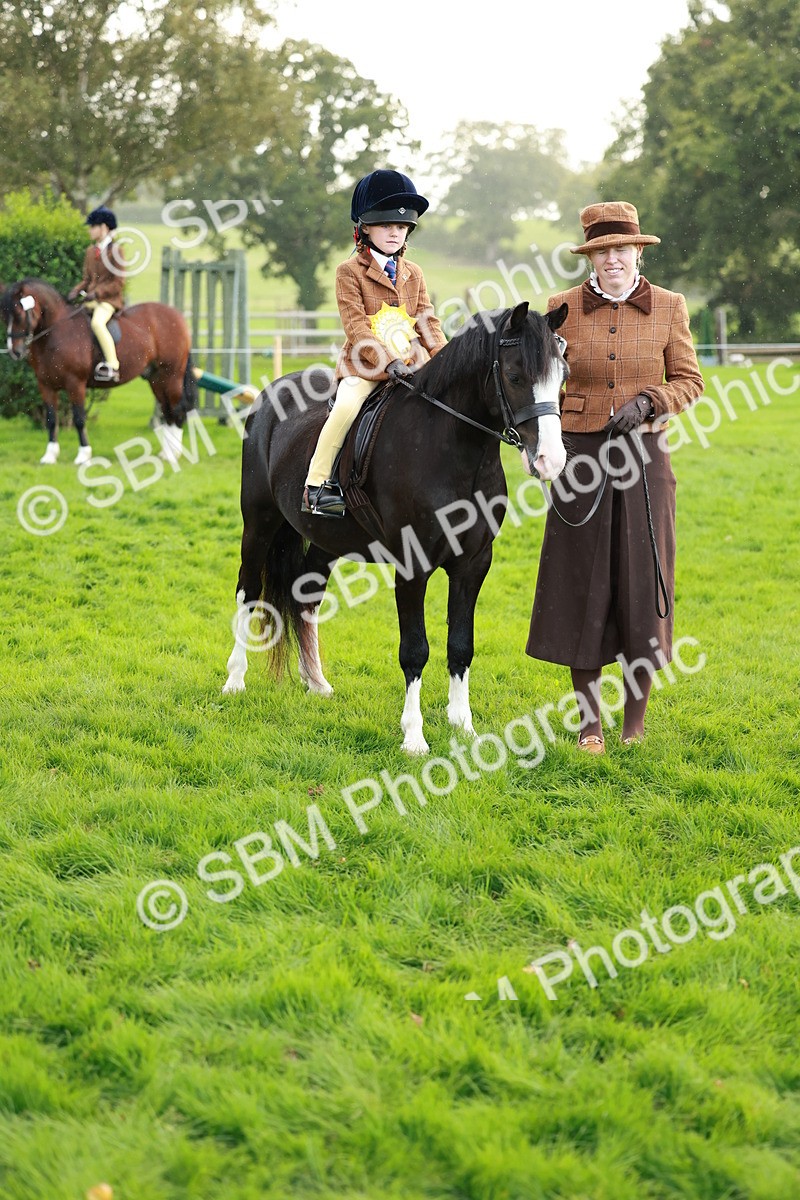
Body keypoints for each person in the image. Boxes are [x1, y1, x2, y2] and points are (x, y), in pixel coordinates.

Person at [526, 201, 704, 753]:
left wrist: (651, 402)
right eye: (602, 253)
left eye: (621, 251)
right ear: (590, 257)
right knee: (581, 583)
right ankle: (588, 724)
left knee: (641, 584)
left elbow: (690, 381)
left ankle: (634, 724)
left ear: (637, 254)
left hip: (646, 462)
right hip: (579, 457)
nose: (613, 261)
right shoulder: (559, 309)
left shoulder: (670, 308)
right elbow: (540, 384)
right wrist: (541, 441)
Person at [302, 169, 447, 517]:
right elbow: (356, 328)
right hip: (365, 366)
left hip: (413, 365)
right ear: (365, 228)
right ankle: (317, 485)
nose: (395, 232)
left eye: (401, 227)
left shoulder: (415, 273)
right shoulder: (348, 272)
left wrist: (445, 359)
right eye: (385, 226)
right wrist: (387, 364)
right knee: (346, 407)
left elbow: (427, 321)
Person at [68, 205, 126, 382]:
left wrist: (98, 293)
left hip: (108, 301)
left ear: (104, 228)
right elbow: (86, 279)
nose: (90, 230)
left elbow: (118, 282)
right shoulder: (90, 251)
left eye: (93, 226)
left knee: (97, 324)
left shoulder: (116, 251)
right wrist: (75, 290)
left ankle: (113, 366)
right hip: (91, 299)